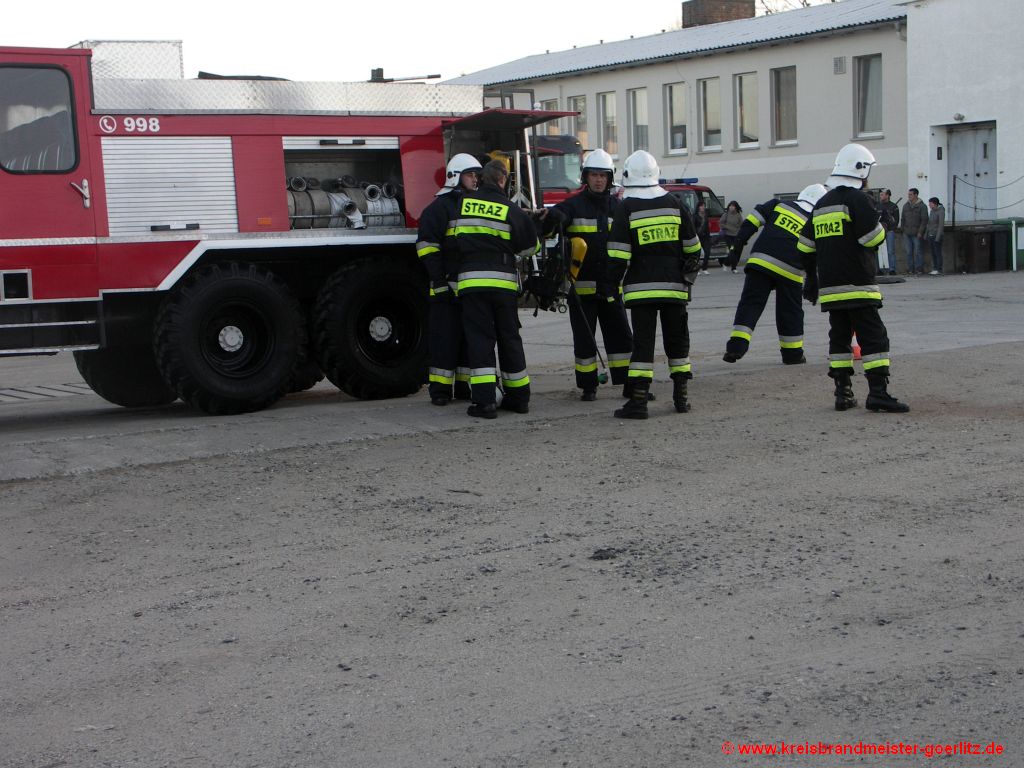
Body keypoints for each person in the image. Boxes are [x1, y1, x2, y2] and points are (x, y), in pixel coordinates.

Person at [798, 143, 909, 413]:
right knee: (874, 339)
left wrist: (811, 280)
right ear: (860, 170)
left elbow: (803, 245)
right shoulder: (859, 200)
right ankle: (878, 394)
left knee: (839, 339)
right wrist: (885, 225)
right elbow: (869, 238)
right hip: (858, 284)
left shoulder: (823, 202)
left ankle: (843, 394)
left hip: (831, 288)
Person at [607, 150, 702, 418]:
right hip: (674, 289)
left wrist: (610, 287)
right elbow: (694, 249)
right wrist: (685, 275)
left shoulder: (626, 207)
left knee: (643, 346)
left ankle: (638, 402)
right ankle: (681, 398)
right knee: (678, 342)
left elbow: (618, 255)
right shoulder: (674, 203)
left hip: (641, 291)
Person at [449, 160, 540, 419]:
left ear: (480, 180)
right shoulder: (512, 210)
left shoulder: (462, 205)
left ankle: (485, 402)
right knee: (509, 338)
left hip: (472, 283)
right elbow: (530, 249)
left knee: (480, 340)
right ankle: (519, 399)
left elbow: (455, 242)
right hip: (503, 285)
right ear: (503, 181)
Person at [544, 149, 633, 401]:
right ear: (585, 177)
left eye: (602, 176)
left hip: (611, 288)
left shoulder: (619, 208)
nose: (598, 180)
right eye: (593, 175)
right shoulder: (572, 205)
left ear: (609, 178)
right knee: (584, 342)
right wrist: (554, 218)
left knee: (622, 340)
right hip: (581, 290)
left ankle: (627, 385)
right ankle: (588, 386)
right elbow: (554, 222)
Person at [722, 183, 828, 366]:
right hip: (791, 270)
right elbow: (815, 254)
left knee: (750, 304)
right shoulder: (815, 220)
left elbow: (751, 222)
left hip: (761, 261)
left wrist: (736, 248)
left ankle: (736, 347)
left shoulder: (779, 204)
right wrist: (813, 280)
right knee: (790, 312)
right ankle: (792, 354)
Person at [416, 153, 481, 406]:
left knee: (467, 340)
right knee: (444, 340)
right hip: (445, 288)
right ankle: (440, 392)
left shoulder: (475, 205)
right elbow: (427, 248)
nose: (475, 179)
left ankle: (464, 388)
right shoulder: (439, 208)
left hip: (469, 287)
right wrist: (439, 281)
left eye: (476, 175)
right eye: (470, 174)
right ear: (455, 176)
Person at [900, 188, 928, 275]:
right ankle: (910, 269)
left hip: (917, 233)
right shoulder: (906, 205)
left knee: (918, 252)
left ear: (916, 195)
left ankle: (919, 269)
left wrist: (920, 232)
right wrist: (903, 229)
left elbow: (924, 220)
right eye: (908, 195)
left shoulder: (922, 206)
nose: (909, 196)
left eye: (910, 195)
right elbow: (903, 218)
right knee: (908, 252)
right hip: (907, 232)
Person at [876, 189, 900, 275]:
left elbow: (896, 220)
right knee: (877, 250)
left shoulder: (893, 206)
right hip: (879, 231)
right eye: (880, 195)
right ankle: (878, 269)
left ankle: (892, 269)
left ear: (887, 195)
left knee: (890, 251)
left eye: (882, 194)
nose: (880, 196)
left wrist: (892, 228)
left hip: (889, 230)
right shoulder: (878, 206)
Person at [719, 200, 744, 272]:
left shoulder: (738, 215)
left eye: (733, 206)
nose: (731, 207)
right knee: (732, 250)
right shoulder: (726, 214)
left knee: (736, 251)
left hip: (736, 236)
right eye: (730, 206)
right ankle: (734, 268)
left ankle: (725, 263)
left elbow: (741, 225)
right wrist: (726, 227)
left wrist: (739, 232)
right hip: (728, 236)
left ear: (736, 207)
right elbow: (721, 223)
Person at [926, 196, 946, 275]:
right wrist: (926, 234)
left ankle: (939, 269)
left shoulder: (941, 211)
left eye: (930, 203)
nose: (929, 205)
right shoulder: (932, 211)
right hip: (931, 234)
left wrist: (938, 237)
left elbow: (940, 225)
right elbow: (929, 224)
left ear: (935, 204)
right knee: (933, 252)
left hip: (937, 235)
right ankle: (934, 268)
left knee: (937, 252)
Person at [694, 200, 712, 275]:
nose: (703, 207)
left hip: (706, 237)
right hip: (698, 237)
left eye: (704, 206)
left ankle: (705, 268)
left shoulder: (706, 216)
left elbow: (707, 227)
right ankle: (696, 269)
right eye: (701, 206)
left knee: (707, 252)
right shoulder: (695, 216)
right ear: (698, 207)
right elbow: (693, 226)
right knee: (697, 254)